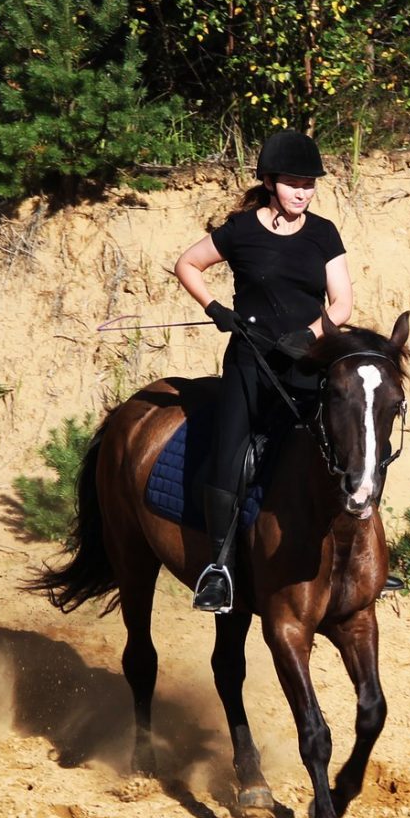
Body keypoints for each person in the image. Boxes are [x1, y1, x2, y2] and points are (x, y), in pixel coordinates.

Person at [173, 130, 353, 613]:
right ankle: (218, 569)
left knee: (347, 448)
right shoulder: (240, 231)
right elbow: (187, 263)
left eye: (310, 184)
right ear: (271, 182)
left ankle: (353, 557)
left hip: (305, 366)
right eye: (294, 182)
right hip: (250, 365)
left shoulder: (323, 233)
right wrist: (214, 308)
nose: (304, 192)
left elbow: (344, 302)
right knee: (230, 455)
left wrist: (312, 334)